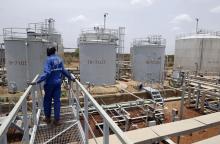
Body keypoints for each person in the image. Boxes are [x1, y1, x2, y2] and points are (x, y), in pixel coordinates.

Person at [31, 46, 75, 126]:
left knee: (47, 100)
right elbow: (63, 71)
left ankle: (48, 118)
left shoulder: (48, 60)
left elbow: (47, 73)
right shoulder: (59, 59)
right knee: (57, 101)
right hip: (58, 84)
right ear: (54, 52)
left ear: (48, 52)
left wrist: (38, 81)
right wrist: (71, 77)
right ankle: (57, 120)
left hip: (49, 84)